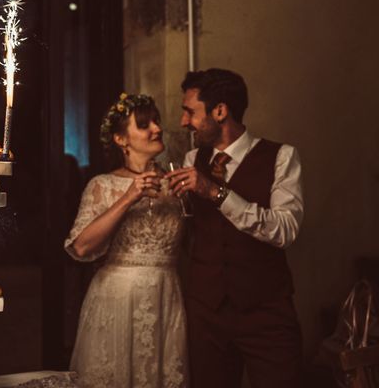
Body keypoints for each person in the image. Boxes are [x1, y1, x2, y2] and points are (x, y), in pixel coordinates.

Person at [166, 68, 304, 388]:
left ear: (220, 111)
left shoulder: (282, 157)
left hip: (266, 313)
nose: (184, 122)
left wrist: (215, 192)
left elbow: (285, 230)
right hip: (206, 314)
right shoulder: (190, 157)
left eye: (190, 112)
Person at [65, 93, 188, 388]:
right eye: (144, 124)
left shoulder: (178, 183)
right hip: (117, 300)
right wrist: (129, 196)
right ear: (121, 140)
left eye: (156, 121)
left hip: (166, 295)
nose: (156, 129)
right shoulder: (102, 185)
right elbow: (81, 247)